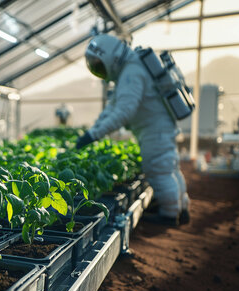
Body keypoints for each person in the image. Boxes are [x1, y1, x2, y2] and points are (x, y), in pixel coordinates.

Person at [76, 33, 190, 226]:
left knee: (158, 171)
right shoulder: (130, 70)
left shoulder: (131, 73)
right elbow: (113, 107)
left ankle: (170, 215)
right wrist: (93, 129)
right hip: (160, 128)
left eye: (99, 65)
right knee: (170, 169)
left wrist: (94, 135)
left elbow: (124, 112)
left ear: (110, 58)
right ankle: (181, 208)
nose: (99, 70)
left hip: (155, 131)